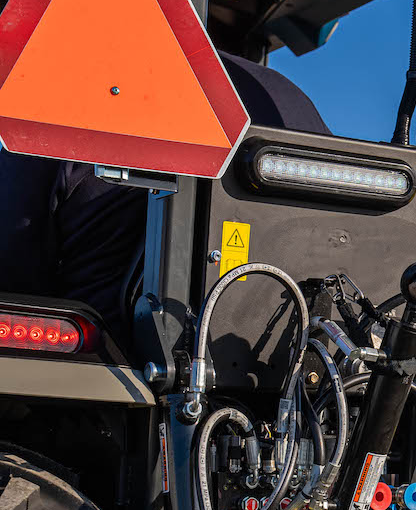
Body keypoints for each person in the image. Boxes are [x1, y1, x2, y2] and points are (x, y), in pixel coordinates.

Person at [0, 54, 329, 333]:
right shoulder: (284, 95)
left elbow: (12, 262)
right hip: (289, 363)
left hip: (107, 369)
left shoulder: (63, 88)